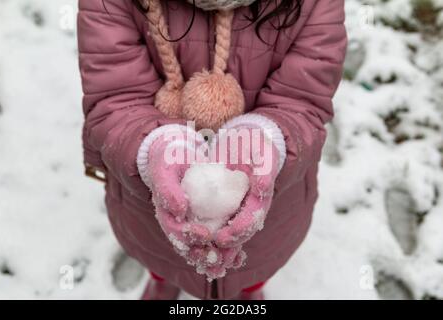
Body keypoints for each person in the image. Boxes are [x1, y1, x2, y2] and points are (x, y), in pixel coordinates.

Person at [77, 0, 347, 300]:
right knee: (162, 256)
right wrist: (156, 146)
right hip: (147, 210)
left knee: (254, 265)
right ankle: (164, 280)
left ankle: (247, 290)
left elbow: (303, 101)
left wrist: (266, 139)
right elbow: (116, 96)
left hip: (274, 212)